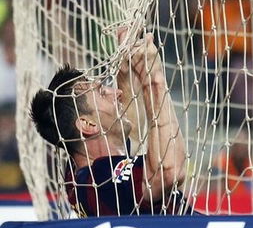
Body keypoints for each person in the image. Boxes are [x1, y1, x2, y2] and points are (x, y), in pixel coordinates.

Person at [30, 30, 187, 217]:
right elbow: (168, 172)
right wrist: (153, 79)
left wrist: (125, 71)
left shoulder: (79, 171)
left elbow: (130, 137)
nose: (117, 93)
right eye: (103, 93)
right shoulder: (101, 178)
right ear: (87, 125)